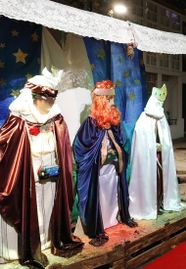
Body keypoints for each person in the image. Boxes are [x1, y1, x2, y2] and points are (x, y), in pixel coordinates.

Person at [0, 68, 83, 268]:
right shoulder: (17, 122)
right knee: (32, 211)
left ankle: (46, 243)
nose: (51, 105)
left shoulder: (56, 120)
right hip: (27, 179)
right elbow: (9, 154)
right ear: (34, 98)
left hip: (51, 178)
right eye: (47, 100)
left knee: (47, 210)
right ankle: (25, 248)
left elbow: (63, 149)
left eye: (52, 101)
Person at [73, 80, 137, 247]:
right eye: (109, 99)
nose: (113, 103)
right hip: (98, 173)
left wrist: (116, 153)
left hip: (112, 171)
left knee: (112, 196)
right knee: (100, 198)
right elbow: (79, 148)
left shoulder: (114, 124)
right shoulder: (90, 123)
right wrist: (98, 157)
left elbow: (121, 142)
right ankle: (98, 225)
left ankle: (115, 218)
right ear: (101, 101)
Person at [128, 84, 184, 220]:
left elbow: (166, 140)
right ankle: (147, 204)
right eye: (158, 102)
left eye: (162, 103)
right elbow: (141, 138)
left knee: (160, 181)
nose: (160, 105)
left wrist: (162, 147)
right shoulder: (144, 119)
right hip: (147, 159)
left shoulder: (161, 118)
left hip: (160, 157)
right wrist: (151, 147)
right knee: (149, 180)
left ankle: (159, 203)